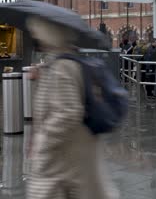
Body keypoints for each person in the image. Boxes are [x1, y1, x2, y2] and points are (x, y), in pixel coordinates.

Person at [26, 17, 116, 199]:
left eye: (37, 31)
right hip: (73, 151)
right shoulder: (65, 61)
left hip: (65, 152)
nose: (35, 36)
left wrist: (44, 141)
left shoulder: (62, 67)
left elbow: (68, 113)